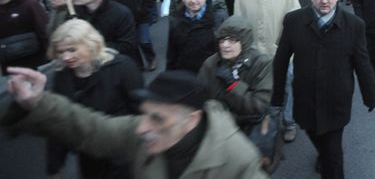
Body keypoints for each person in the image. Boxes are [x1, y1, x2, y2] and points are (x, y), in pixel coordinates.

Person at [4, 67, 268, 179]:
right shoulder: (145, 134)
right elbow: (93, 130)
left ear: (191, 120)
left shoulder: (238, 159)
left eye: (157, 118)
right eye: (145, 114)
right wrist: (37, 102)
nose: (142, 127)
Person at [272, 0, 375, 179]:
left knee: (333, 156)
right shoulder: (294, 21)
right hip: (306, 97)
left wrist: (370, 95)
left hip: (336, 99)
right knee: (313, 132)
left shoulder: (354, 25)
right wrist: (277, 97)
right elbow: (281, 60)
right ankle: (324, 153)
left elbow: (362, 64)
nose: (324, 1)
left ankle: (329, 159)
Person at [46, 19, 143, 179]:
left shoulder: (122, 67)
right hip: (89, 156)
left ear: (90, 44)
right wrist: (55, 165)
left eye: (72, 50)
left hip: (123, 152)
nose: (66, 57)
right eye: (61, 52)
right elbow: (58, 121)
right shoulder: (62, 76)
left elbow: (141, 109)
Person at [234, 0, 300, 141]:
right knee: (258, 90)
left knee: (286, 88)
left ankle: (289, 123)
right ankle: (264, 121)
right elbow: (238, 24)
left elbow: (295, 23)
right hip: (253, 55)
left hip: (282, 53)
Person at [198, 16, 272, 132]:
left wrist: (233, 85)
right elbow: (199, 97)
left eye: (232, 40)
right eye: (222, 40)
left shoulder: (262, 64)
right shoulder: (210, 64)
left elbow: (259, 105)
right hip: (218, 128)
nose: (225, 45)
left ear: (244, 42)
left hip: (249, 129)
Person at [72, 0, 141, 67]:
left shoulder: (121, 13)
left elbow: (127, 46)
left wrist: (91, 45)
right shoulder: (74, 12)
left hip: (114, 67)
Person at [109, 0, 158, 71]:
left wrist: (144, 11)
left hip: (141, 17)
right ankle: (138, 64)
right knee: (131, 43)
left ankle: (151, 59)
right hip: (123, 20)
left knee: (143, 40)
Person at [167, 0, 228, 74]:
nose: (193, 0)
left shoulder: (219, 18)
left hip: (211, 77)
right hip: (185, 78)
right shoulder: (175, 21)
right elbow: (172, 54)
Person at [0, 0, 48, 75]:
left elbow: (42, 27)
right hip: (8, 56)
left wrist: (48, 49)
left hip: (29, 54)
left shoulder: (29, 4)